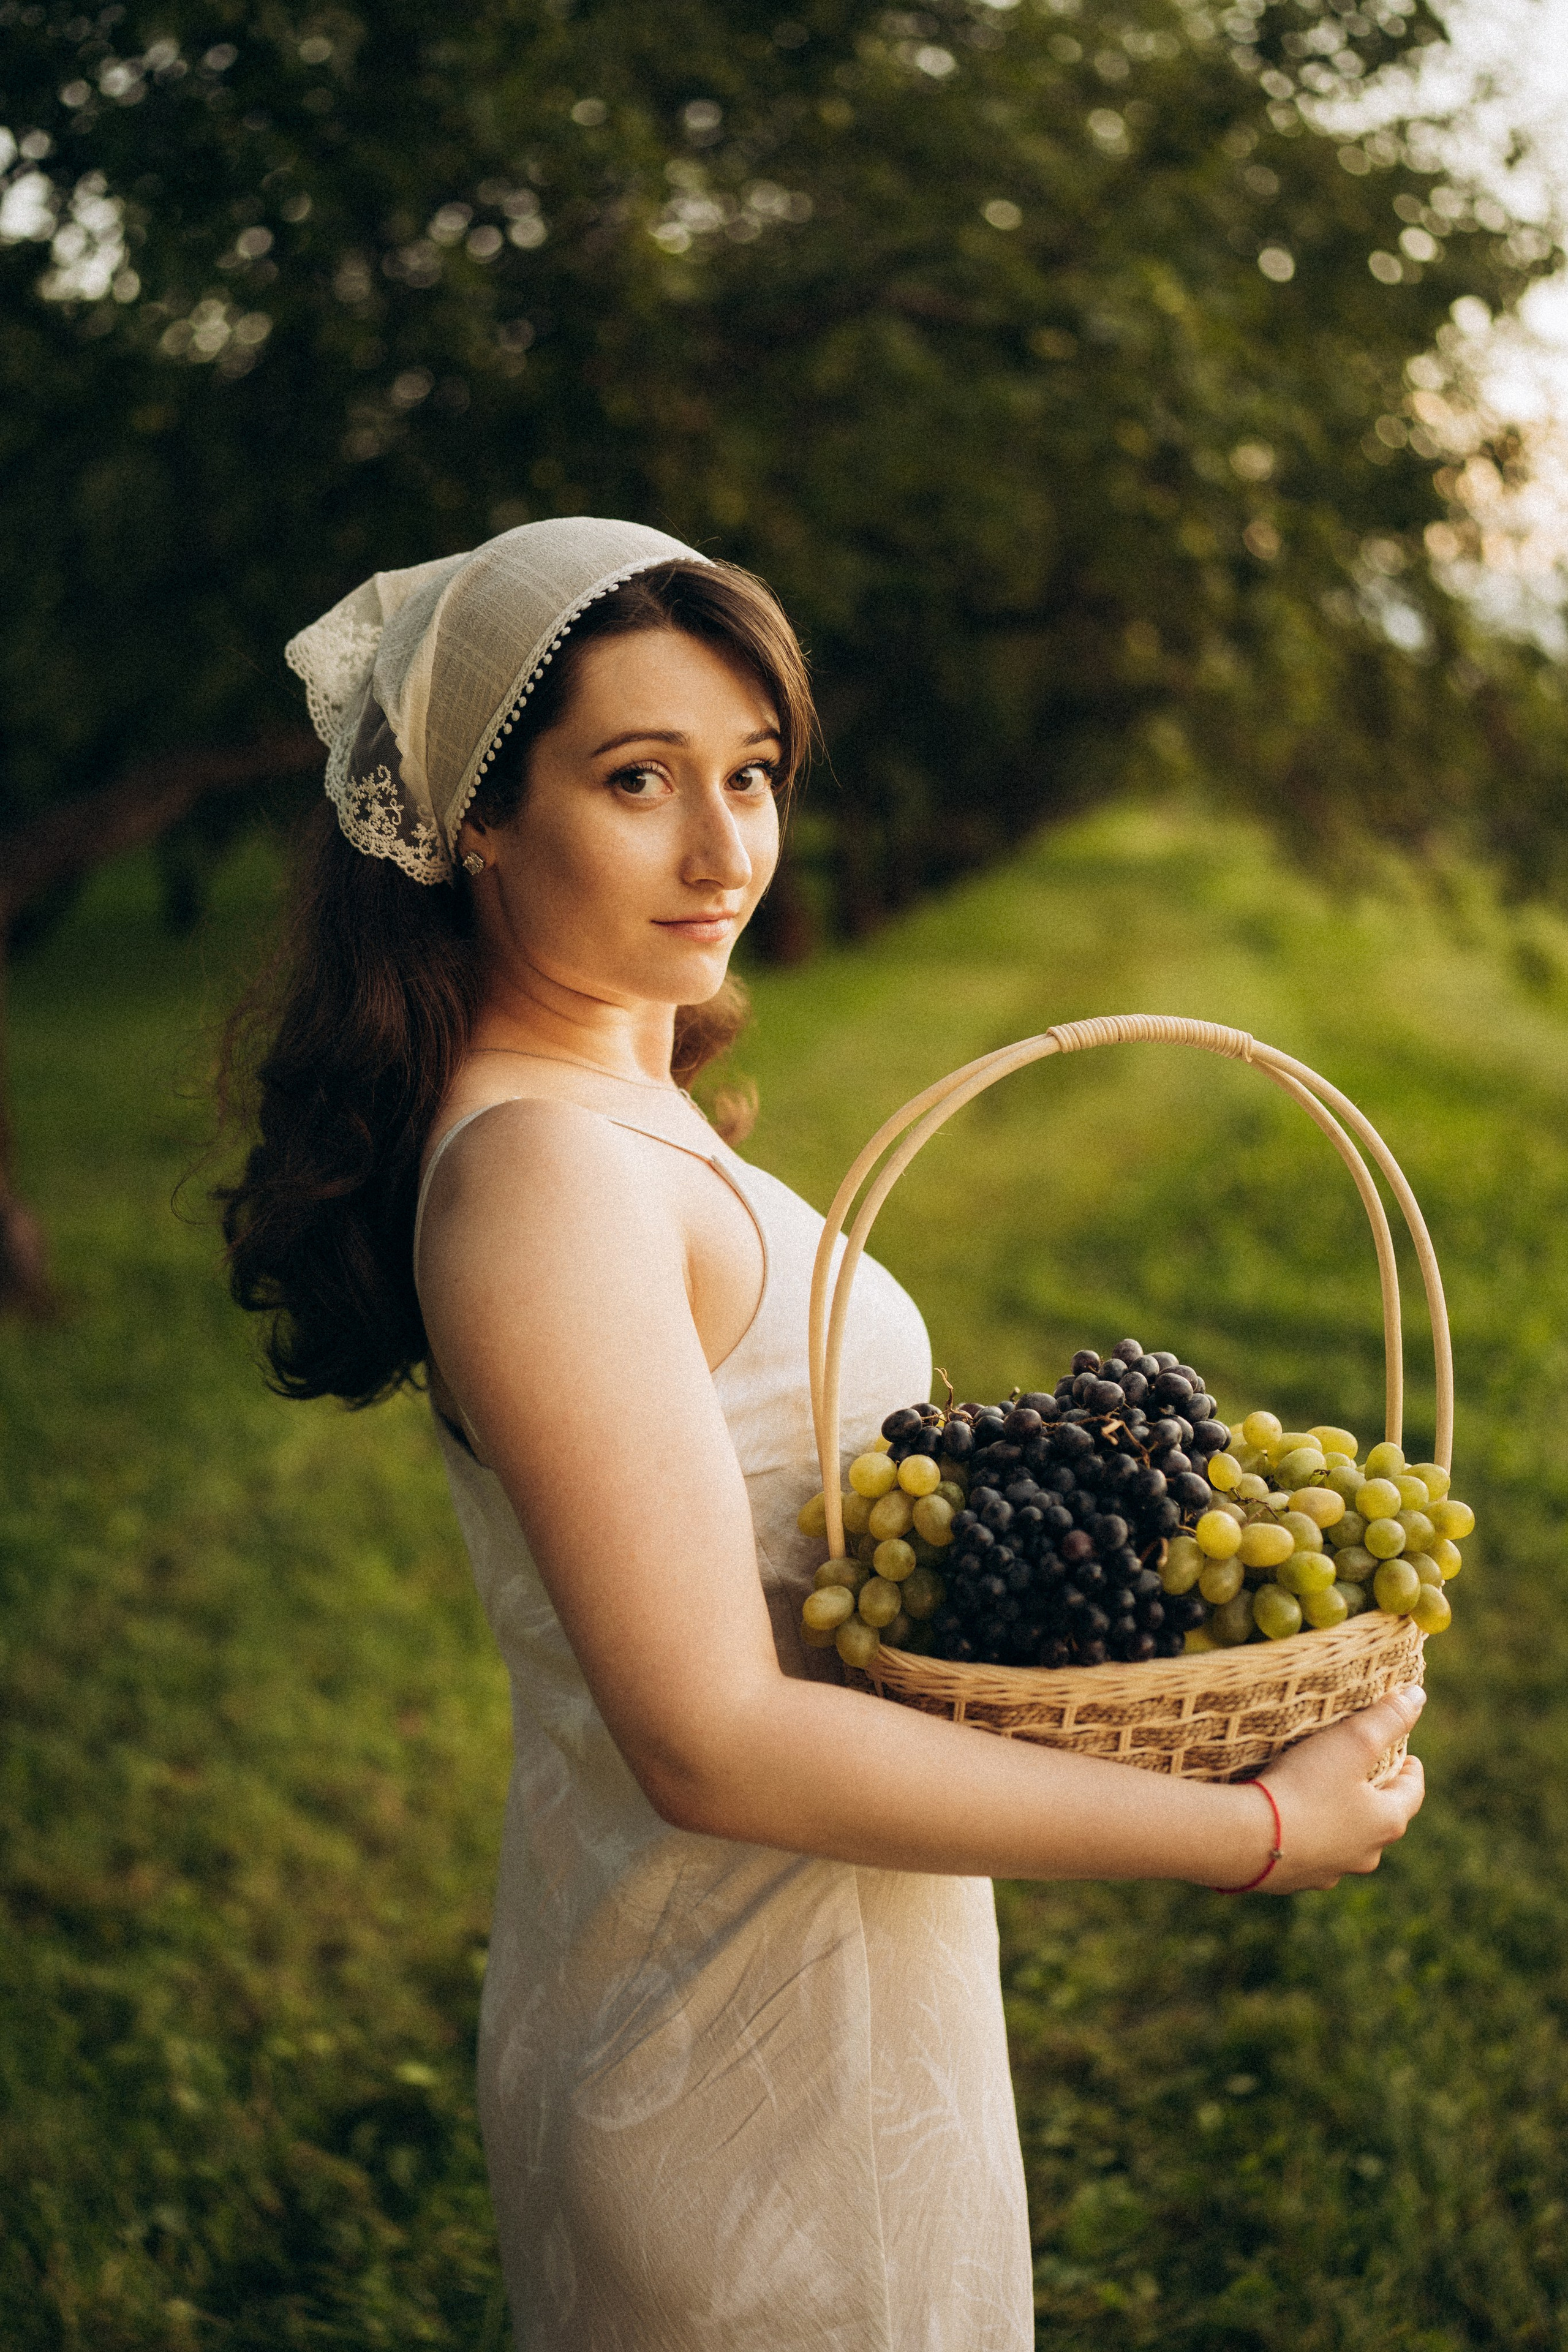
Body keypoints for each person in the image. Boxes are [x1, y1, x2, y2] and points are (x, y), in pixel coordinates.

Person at [221, 516, 1426, 2352]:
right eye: (639, 781)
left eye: (755, 775)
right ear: (477, 815)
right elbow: (710, 1740)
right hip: (737, 2049)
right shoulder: (544, 1176)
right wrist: (1253, 1833)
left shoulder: (617, 1107)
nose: (727, 850)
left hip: (808, 1971)